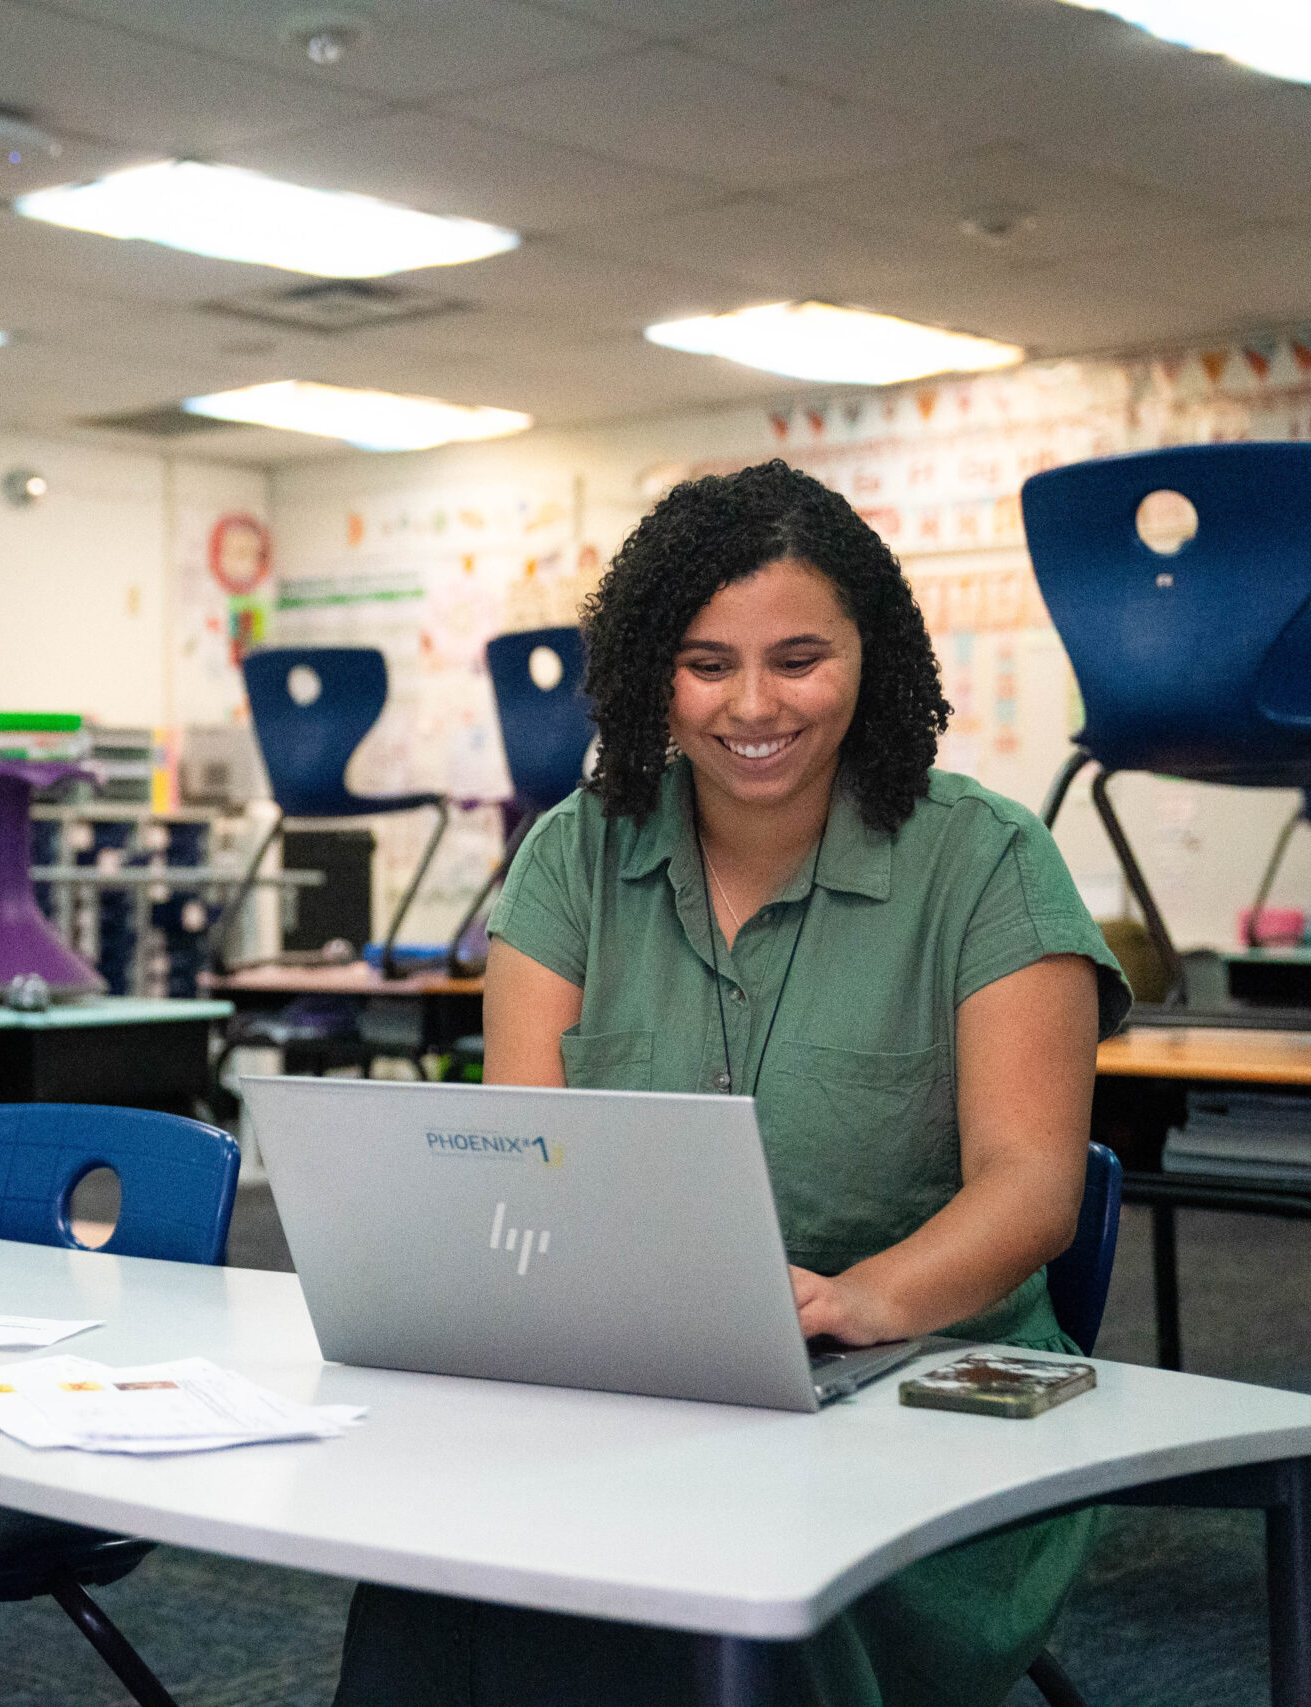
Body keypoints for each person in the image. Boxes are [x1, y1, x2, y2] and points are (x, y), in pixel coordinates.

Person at [332, 461, 1129, 1707]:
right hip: (631, 1388)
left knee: (743, 1596)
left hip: (906, 1406)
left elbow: (1031, 1189)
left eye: (798, 658)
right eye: (706, 664)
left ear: (872, 659)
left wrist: (855, 1302)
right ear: (656, 669)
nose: (751, 704)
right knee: (438, 1570)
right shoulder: (573, 854)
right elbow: (512, 1164)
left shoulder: (984, 864)